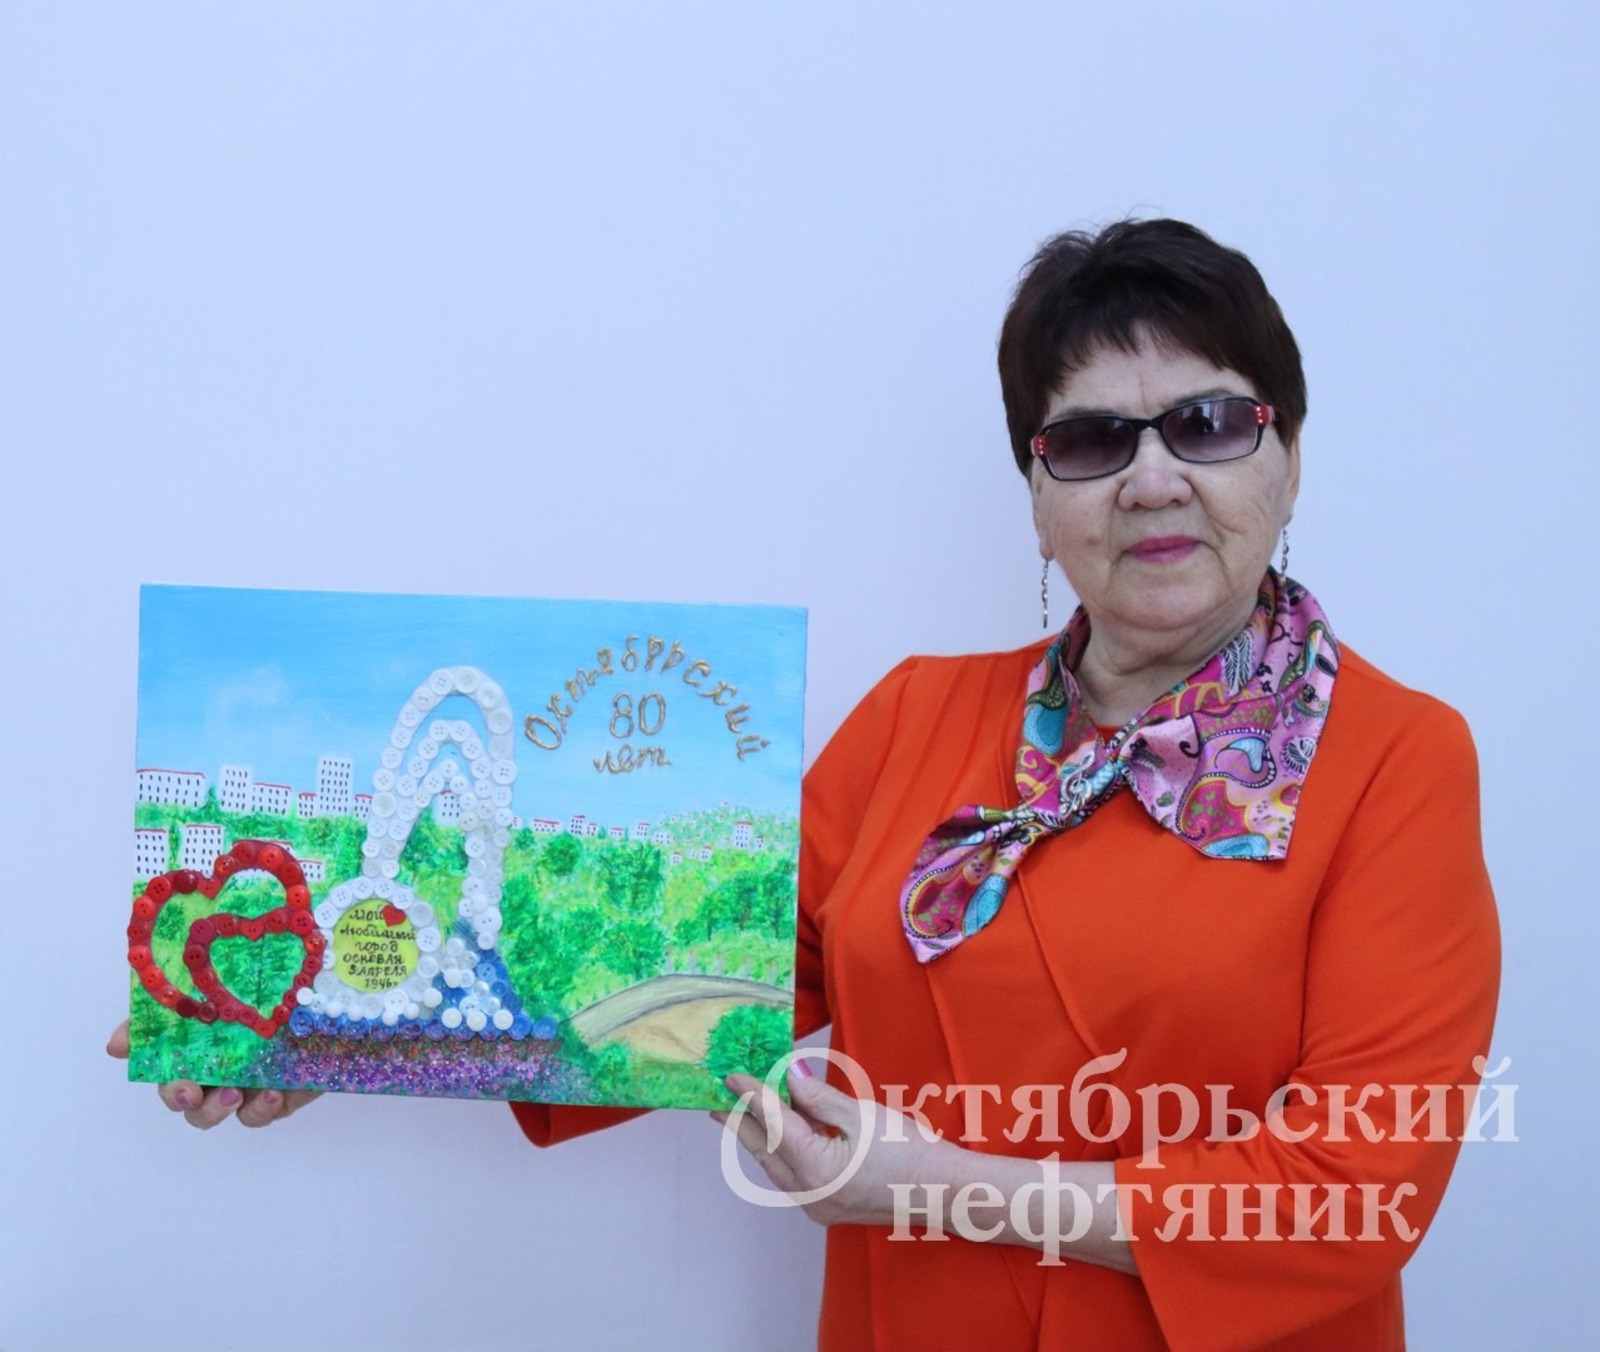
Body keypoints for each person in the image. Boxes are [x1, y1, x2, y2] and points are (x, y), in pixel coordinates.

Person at [112, 219, 1500, 1351]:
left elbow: (1358, 1188)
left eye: (1205, 424)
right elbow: (677, 983)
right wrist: (338, 1035)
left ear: (1288, 458)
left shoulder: (1398, 760)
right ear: (1037, 496)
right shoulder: (915, 718)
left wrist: (939, 1190)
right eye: (1088, 442)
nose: (1150, 480)